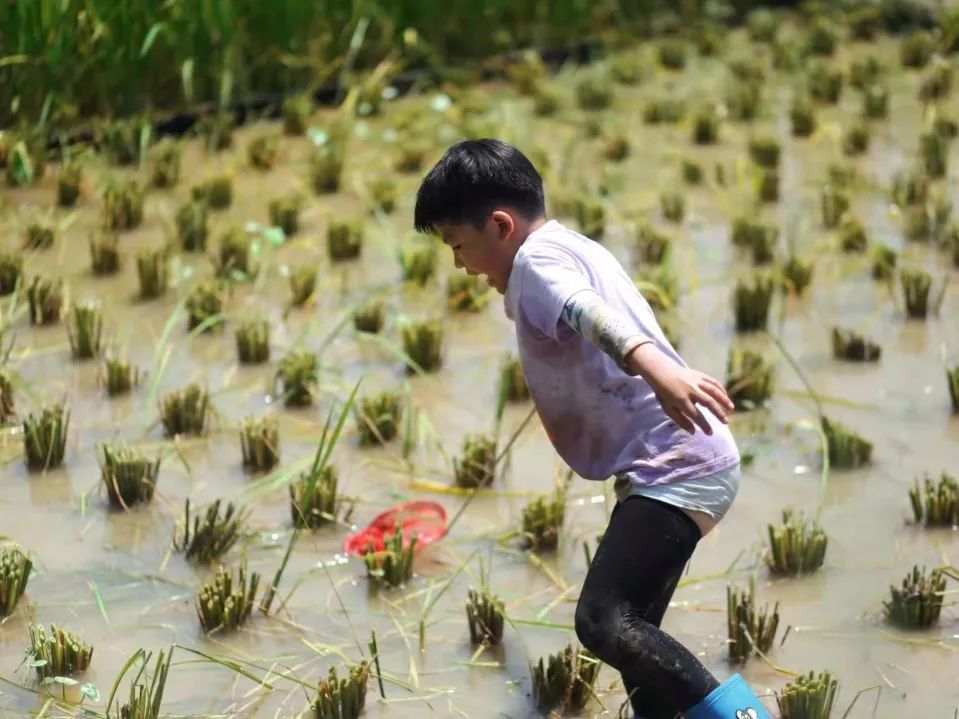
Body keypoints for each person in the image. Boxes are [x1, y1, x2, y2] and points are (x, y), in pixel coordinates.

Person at [413, 139, 771, 719]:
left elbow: (584, 310)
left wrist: (657, 367)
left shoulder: (534, 262)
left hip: (677, 465)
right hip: (680, 463)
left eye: (459, 246)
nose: (459, 263)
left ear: (500, 225)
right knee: (638, 644)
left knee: (601, 620)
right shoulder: (566, 245)